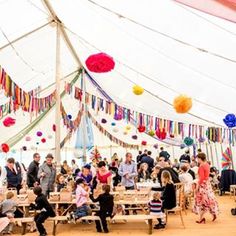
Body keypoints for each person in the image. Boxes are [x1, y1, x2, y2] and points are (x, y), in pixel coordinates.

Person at [193, 153, 219, 224]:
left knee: (202, 201)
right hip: (207, 184)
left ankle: (201, 218)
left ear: (200, 158)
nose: (197, 160)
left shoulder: (201, 166)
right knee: (209, 199)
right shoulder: (207, 164)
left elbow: (201, 178)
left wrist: (197, 187)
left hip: (202, 185)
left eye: (197, 158)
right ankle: (213, 213)